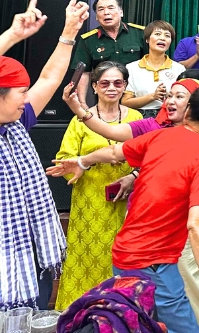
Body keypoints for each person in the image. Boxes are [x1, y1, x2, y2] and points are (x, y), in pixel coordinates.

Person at [48, 85, 199, 333]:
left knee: (138, 326)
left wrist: (82, 161)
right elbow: (197, 225)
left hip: (125, 253)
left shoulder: (161, 136)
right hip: (153, 262)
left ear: (188, 111)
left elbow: (115, 151)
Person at [0, 0, 89, 310]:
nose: (27, 99)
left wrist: (69, 32)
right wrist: (12, 36)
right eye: (20, 93)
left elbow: (50, 78)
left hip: (31, 252)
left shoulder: (16, 124)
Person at [54, 62, 142, 310]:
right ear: (94, 87)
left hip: (127, 200)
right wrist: (89, 162)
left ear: (125, 86)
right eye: (105, 83)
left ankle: (122, 314)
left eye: (117, 83)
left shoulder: (136, 118)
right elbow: (64, 160)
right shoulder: (79, 121)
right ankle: (80, 314)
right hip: (90, 200)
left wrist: (133, 176)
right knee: (86, 258)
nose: (111, 88)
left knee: (123, 258)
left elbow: (148, 158)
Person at [72, 0, 145, 103]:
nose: (106, 12)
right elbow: (83, 73)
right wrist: (82, 103)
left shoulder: (140, 33)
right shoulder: (88, 40)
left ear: (121, 12)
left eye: (111, 8)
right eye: (101, 9)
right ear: (96, 16)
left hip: (137, 99)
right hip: (105, 100)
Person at [122, 20, 185, 118]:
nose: (162, 38)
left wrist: (170, 97)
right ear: (147, 39)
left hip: (169, 116)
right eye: (157, 34)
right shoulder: (131, 68)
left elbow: (184, 100)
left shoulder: (179, 69)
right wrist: (153, 96)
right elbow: (125, 102)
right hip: (140, 117)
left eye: (167, 36)